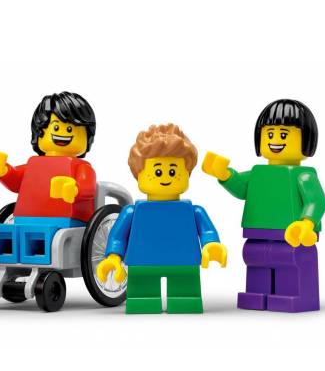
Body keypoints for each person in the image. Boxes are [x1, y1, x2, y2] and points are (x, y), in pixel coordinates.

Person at [202, 99, 325, 312]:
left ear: (306, 140)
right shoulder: (258, 173)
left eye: (283, 135)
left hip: (293, 236)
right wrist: (224, 174)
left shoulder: (303, 175)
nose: (275, 140)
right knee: (256, 261)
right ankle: (256, 294)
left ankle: (292, 295)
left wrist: (307, 223)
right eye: (269, 134)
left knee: (291, 262)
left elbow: (317, 201)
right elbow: (242, 188)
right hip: (257, 234)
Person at [96, 124, 227, 314]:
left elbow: (207, 230)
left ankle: (184, 301)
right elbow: (118, 236)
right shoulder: (132, 212)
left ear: (187, 173)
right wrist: (113, 257)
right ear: (139, 174)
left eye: (173, 171)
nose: (165, 177)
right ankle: (143, 301)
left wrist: (211, 244)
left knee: (185, 297)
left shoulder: (193, 211)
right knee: (142, 297)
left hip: (184, 263)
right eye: (157, 171)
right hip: (142, 263)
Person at [0, 91, 97, 265]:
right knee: (4, 234)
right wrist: (3, 171)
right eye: (55, 127)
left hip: (69, 223)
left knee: (44, 236)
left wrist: (74, 189)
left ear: (87, 136)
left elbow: (88, 187)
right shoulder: (33, 164)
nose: (62, 133)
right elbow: (16, 181)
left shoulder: (82, 167)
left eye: (70, 129)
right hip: (24, 221)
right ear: (39, 133)